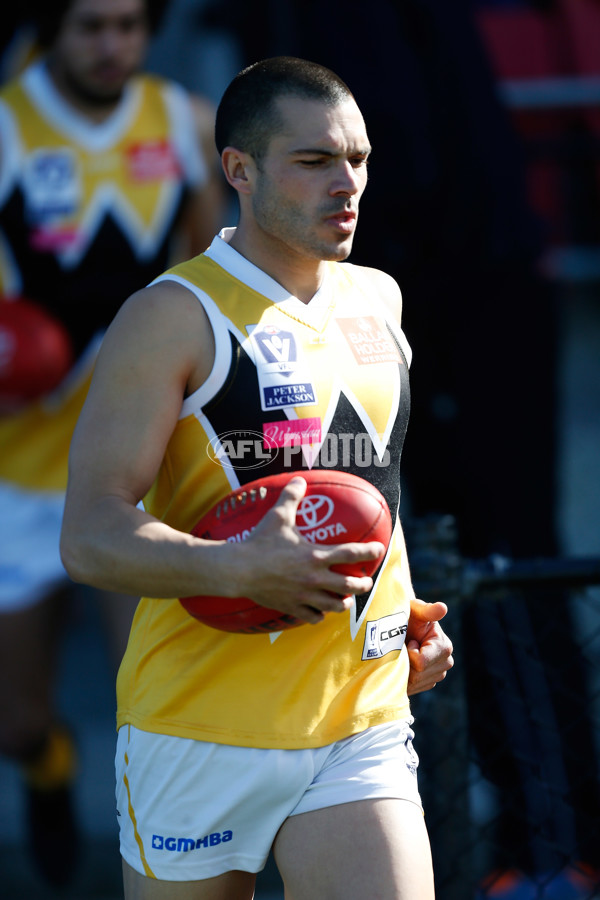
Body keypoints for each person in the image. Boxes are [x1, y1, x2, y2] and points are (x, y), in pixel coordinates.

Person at [60, 56, 454, 900]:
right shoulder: (171, 316)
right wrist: (232, 569)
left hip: (359, 723)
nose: (347, 184)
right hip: (197, 728)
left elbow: (368, 490)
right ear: (239, 169)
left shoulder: (378, 300)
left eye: (358, 159)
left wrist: (395, 614)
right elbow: (90, 535)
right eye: (314, 161)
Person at [0, 0, 225, 887]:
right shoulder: (7, 127)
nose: (111, 45)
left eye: (129, 25)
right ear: (49, 28)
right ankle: (47, 769)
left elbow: (213, 278)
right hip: (15, 473)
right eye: (90, 25)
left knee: (153, 704)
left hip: (135, 470)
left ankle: (166, 873)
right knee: (14, 723)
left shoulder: (182, 122)